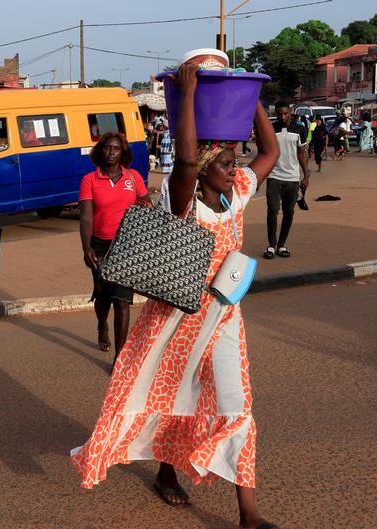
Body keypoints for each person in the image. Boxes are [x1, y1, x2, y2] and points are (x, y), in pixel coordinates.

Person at [72, 62, 282, 529]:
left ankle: (248, 513)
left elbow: (268, 150)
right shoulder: (182, 198)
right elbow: (185, 160)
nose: (236, 171)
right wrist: (187, 95)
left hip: (225, 319)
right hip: (176, 318)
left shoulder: (238, 196)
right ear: (207, 171)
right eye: (227, 165)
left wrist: (249, 99)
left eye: (234, 164)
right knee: (173, 397)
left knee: (238, 405)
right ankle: (167, 473)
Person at [79, 132, 151, 364]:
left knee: (122, 300)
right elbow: (86, 217)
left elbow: (146, 205)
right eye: (107, 148)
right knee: (103, 296)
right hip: (99, 244)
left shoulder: (133, 177)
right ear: (100, 151)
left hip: (127, 246)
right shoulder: (89, 179)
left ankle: (120, 357)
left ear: (123, 153)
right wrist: (86, 246)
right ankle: (102, 324)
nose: (111, 152)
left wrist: (146, 208)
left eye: (116, 149)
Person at [264, 100, 309, 260]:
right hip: (274, 177)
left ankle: (282, 245)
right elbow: (265, 152)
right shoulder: (271, 128)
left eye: (286, 113)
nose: (283, 117)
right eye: (280, 114)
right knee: (272, 211)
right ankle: (271, 244)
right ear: (276, 114)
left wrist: (306, 175)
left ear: (290, 112)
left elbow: (302, 154)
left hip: (292, 179)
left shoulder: (300, 129)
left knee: (289, 212)